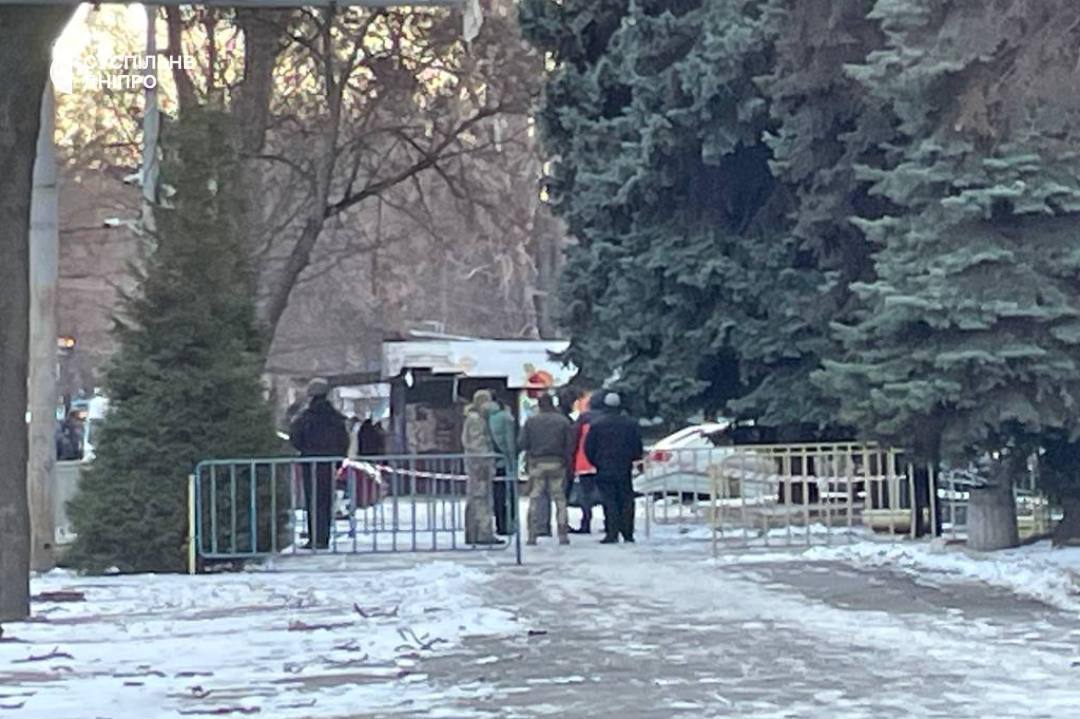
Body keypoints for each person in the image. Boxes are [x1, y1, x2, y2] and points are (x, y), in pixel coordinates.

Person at [289, 378, 349, 549]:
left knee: (312, 501)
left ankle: (315, 537)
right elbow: (344, 441)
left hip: (310, 462)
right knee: (326, 500)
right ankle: (324, 537)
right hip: (329, 463)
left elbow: (295, 438)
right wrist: (338, 460)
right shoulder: (335, 417)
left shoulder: (306, 417)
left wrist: (305, 450)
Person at [585, 392, 644, 544]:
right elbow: (637, 446)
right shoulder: (630, 424)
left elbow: (589, 447)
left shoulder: (597, 425)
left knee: (609, 500)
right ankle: (627, 533)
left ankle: (612, 533)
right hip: (623, 467)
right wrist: (632, 458)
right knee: (626, 499)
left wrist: (596, 462)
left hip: (604, 467)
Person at [519, 393, 575, 545]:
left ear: (539, 405)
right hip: (557, 462)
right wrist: (568, 463)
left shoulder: (531, 421)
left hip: (537, 463)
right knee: (560, 499)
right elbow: (570, 445)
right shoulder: (562, 421)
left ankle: (532, 534)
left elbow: (522, 443)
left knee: (535, 498)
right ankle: (563, 533)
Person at [462, 389, 500, 545]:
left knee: (475, 498)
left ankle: (473, 532)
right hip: (479, 465)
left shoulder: (474, 418)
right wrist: (485, 461)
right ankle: (484, 533)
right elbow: (477, 444)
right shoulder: (476, 420)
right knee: (481, 498)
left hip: (475, 464)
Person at [569, 393, 605, 534]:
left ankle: (586, 523)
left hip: (583, 462)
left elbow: (574, 439)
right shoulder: (604, 418)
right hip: (601, 461)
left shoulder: (583, 419)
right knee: (605, 493)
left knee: (586, 494)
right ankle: (609, 523)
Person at [486, 396, 518, 536]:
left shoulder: (484, 417)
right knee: (506, 494)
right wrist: (512, 458)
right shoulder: (505, 417)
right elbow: (509, 441)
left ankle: (496, 524)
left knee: (495, 494)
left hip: (490, 460)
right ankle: (507, 524)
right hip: (503, 461)